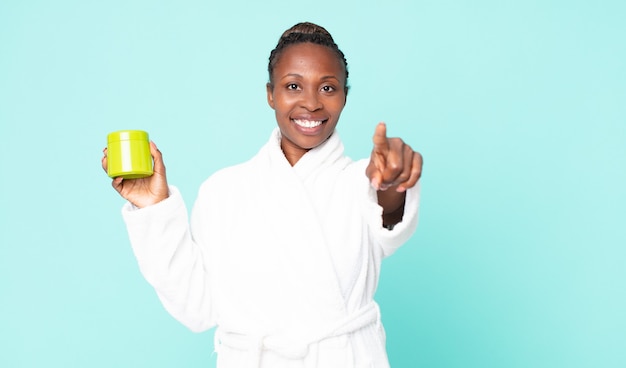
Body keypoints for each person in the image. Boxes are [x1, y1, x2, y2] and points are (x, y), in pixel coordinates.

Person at [102, 22, 423, 368]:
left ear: (345, 94)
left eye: (328, 87)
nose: (311, 103)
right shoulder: (223, 191)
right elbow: (197, 308)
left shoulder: (364, 182)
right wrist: (154, 209)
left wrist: (392, 185)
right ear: (271, 94)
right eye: (293, 85)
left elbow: (388, 215)